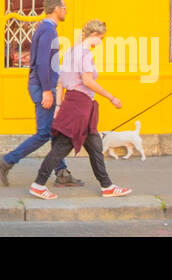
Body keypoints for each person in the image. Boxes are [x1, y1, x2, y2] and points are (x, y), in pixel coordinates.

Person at [29, 19, 132, 199]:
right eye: (101, 38)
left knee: (94, 147)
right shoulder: (84, 54)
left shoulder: (70, 52)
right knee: (62, 147)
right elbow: (88, 81)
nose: (101, 42)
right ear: (94, 35)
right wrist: (112, 97)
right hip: (80, 105)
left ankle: (107, 186)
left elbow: (60, 82)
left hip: (75, 104)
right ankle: (38, 184)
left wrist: (59, 107)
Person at [0, 0, 83, 188]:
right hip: (42, 87)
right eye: (64, 7)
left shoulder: (46, 29)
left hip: (41, 85)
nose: (66, 10)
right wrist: (48, 91)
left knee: (52, 131)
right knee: (43, 133)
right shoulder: (48, 31)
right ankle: (6, 162)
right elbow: (42, 63)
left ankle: (61, 173)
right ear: (56, 9)